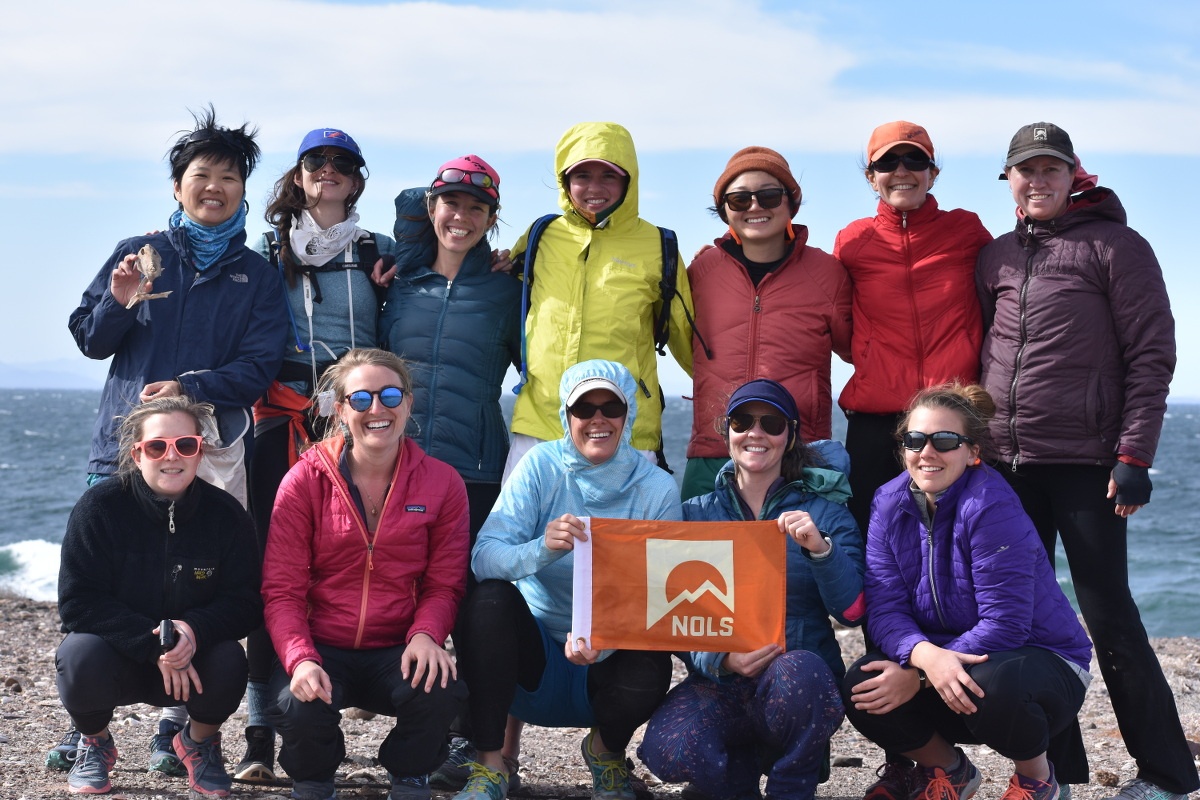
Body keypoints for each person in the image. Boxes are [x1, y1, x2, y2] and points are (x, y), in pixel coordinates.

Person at [62, 106, 287, 777]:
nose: (213, 186)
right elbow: (90, 339)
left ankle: (177, 725)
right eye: (201, 174)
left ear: (244, 190)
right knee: (107, 580)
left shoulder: (258, 275)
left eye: (228, 176)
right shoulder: (139, 254)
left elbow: (259, 368)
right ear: (176, 185)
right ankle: (90, 728)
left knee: (204, 585)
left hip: (212, 452)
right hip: (125, 450)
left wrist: (188, 384)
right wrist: (121, 300)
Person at [976, 122, 1198, 800]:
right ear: (1008, 181)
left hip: (1086, 463)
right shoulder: (994, 257)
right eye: (1025, 170)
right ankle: (1058, 776)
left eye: (1050, 168)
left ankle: (1166, 773)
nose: (1037, 180)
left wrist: (1135, 454)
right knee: (1027, 619)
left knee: (1110, 617)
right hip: (1007, 465)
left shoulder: (1118, 247)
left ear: (1075, 175)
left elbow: (1151, 354)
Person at [842, 384, 1093, 800]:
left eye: (944, 441)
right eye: (915, 440)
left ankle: (1037, 779)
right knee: (863, 684)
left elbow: (1007, 624)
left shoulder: (990, 504)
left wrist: (920, 675)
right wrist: (923, 658)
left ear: (972, 451)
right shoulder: (887, 502)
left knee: (995, 682)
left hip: (1042, 664)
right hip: (949, 663)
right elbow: (884, 609)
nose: (927, 453)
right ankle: (950, 770)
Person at [242, 127, 398, 782]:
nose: (328, 171)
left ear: (358, 179)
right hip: (281, 421)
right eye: (316, 162)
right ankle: (256, 735)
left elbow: (396, 328)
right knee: (270, 572)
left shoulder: (377, 250)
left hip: (353, 425)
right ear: (299, 176)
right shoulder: (267, 248)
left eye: (342, 163)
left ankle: (327, 704)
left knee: (336, 564)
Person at [451, 359, 681, 800]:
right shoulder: (540, 466)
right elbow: (483, 558)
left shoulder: (658, 489)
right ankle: (491, 764)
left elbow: (662, 595)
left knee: (652, 659)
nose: (598, 419)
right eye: (584, 409)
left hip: (606, 658)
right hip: (532, 661)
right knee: (489, 600)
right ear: (566, 416)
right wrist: (542, 548)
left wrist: (607, 635)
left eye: (610, 407)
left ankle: (606, 752)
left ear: (628, 413)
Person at [638, 378, 865, 800]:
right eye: (742, 421)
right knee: (665, 747)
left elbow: (852, 611)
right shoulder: (695, 516)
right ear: (726, 432)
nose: (755, 433)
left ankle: (792, 785)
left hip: (797, 679)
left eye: (772, 423)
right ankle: (733, 778)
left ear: (790, 435)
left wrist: (822, 550)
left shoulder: (826, 514)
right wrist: (719, 659)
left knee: (801, 675)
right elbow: (668, 613)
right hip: (720, 685)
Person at [261, 348, 469, 800]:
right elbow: (282, 591)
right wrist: (301, 658)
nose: (377, 409)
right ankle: (315, 778)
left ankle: (410, 773)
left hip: (396, 646)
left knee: (442, 689)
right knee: (296, 704)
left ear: (409, 403)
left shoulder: (443, 482)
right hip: (321, 645)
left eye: (391, 395)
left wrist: (426, 635)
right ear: (340, 410)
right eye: (361, 399)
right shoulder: (304, 480)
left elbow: (444, 584)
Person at [381, 155, 522, 791]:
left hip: (473, 468)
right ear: (430, 209)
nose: (459, 217)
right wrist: (425, 206)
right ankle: (427, 729)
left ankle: (473, 738)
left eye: (476, 208)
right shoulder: (399, 282)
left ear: (492, 220)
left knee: (468, 604)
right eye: (448, 204)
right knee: (409, 597)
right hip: (396, 465)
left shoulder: (507, 287)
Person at [55, 396, 263, 797]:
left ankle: (197, 742)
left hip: (191, 663)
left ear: (200, 450)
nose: (172, 456)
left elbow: (246, 602)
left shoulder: (226, 514)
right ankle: (95, 742)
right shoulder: (100, 507)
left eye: (185, 445)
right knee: (77, 656)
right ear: (137, 453)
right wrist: (154, 644)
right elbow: (78, 603)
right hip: (120, 656)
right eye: (157, 446)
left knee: (230, 659)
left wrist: (191, 631)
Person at [505, 121, 694, 476]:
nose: (595, 187)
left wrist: (734, 406)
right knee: (522, 532)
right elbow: (498, 290)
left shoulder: (659, 245)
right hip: (539, 423)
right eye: (582, 175)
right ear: (565, 182)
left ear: (629, 180)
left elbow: (687, 336)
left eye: (609, 175)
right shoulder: (540, 235)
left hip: (624, 428)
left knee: (619, 533)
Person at [833, 121, 992, 540]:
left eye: (914, 159)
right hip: (875, 418)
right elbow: (830, 311)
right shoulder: (852, 241)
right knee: (873, 538)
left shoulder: (966, 231)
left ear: (933, 173)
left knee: (960, 538)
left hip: (952, 413)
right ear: (871, 178)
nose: (901, 170)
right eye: (887, 162)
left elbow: (1011, 281)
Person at [682, 147, 852, 500]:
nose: (755, 207)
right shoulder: (700, 272)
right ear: (724, 210)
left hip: (799, 451)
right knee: (700, 557)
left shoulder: (827, 273)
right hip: (713, 451)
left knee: (804, 554)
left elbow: (856, 349)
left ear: (791, 203)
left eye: (770, 196)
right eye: (740, 199)